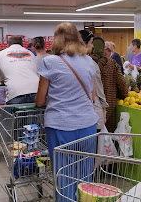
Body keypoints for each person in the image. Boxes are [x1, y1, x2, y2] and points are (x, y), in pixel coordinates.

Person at [35, 22, 98, 202]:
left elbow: (40, 101)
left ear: (56, 40)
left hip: (61, 126)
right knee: (84, 175)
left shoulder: (50, 61)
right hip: (87, 125)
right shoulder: (89, 61)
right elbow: (92, 96)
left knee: (64, 176)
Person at [91, 37, 129, 132]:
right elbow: (122, 83)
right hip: (109, 105)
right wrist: (124, 95)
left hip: (91, 106)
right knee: (107, 138)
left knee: (92, 136)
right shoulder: (112, 63)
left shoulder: (86, 63)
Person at [0, 36, 39, 104]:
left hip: (15, 93)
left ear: (8, 44)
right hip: (36, 91)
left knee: (12, 114)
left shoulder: (1, 54)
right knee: (35, 114)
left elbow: (2, 80)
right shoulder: (31, 54)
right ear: (22, 44)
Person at [79, 30, 108, 130]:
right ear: (84, 44)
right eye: (91, 43)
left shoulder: (67, 61)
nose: (92, 46)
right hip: (92, 108)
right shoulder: (90, 64)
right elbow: (97, 90)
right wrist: (104, 108)